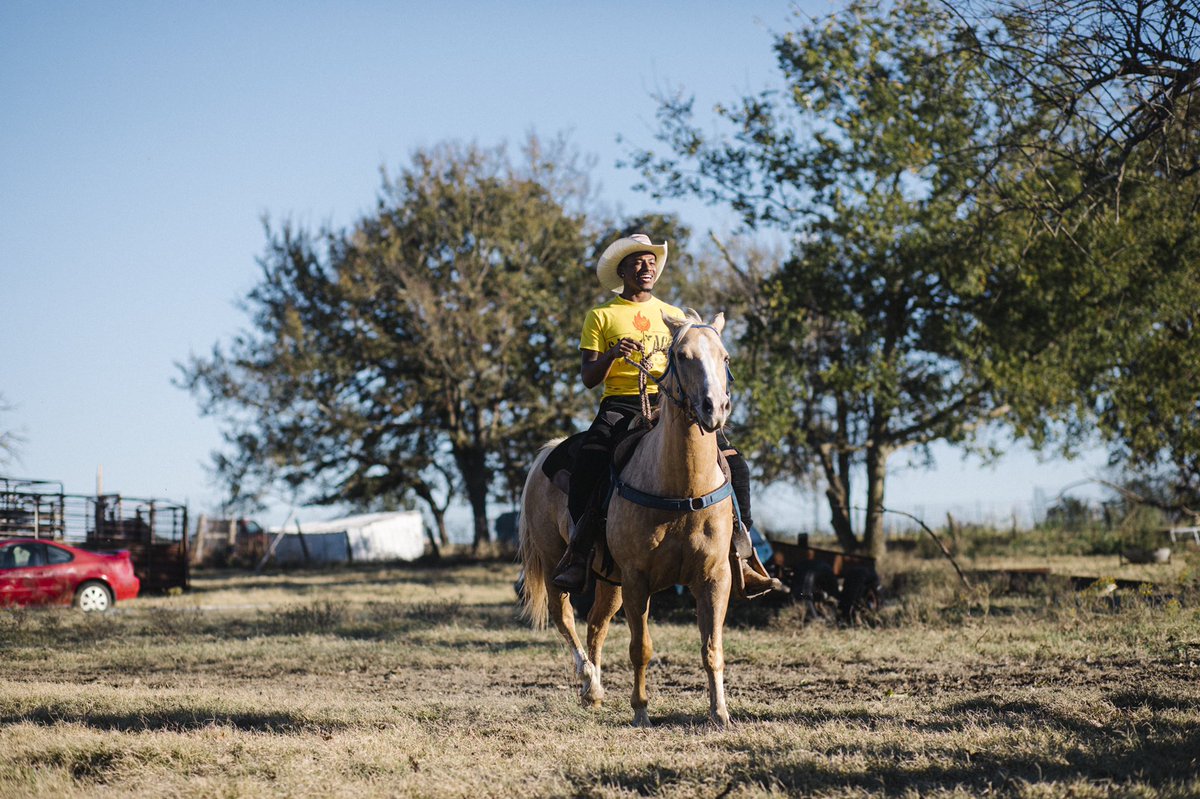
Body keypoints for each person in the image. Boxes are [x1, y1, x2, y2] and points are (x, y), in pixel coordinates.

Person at [552, 233, 781, 598]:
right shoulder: (601, 315)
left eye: (652, 262)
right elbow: (588, 379)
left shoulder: (675, 316)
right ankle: (579, 553)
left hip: (673, 404)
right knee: (589, 463)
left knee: (737, 466)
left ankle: (742, 553)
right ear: (623, 270)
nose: (647, 268)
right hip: (621, 405)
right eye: (639, 262)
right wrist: (611, 354)